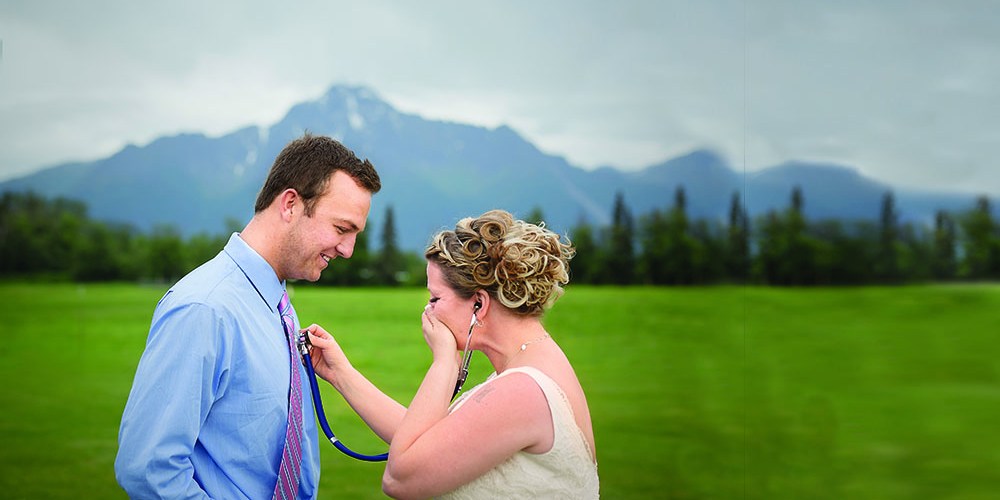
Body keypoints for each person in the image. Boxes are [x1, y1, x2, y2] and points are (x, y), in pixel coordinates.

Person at [114, 134, 381, 499]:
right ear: (290, 204)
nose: (348, 250)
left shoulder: (276, 302)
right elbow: (148, 470)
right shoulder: (205, 309)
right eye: (341, 228)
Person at [304, 209, 600, 499]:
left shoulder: (524, 390)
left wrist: (444, 363)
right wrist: (340, 374)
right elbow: (429, 443)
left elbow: (400, 478)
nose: (427, 311)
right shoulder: (529, 368)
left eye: (435, 298)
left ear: (479, 305)